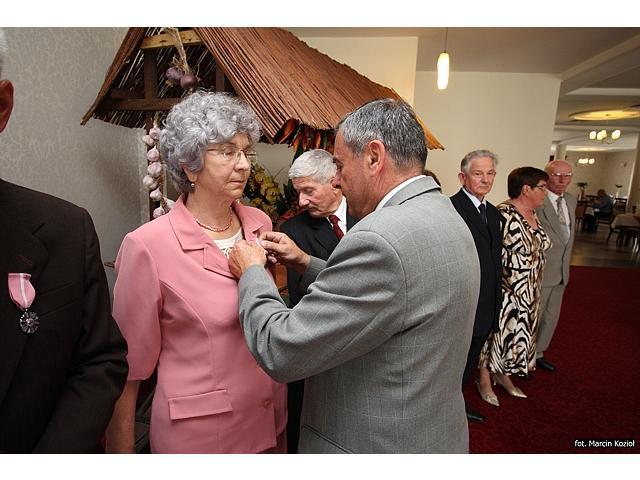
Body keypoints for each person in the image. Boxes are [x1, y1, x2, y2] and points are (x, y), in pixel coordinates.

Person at [229, 98, 480, 453]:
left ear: (374, 157)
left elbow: (280, 349)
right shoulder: (445, 213)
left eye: (340, 165)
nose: (337, 179)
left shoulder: (379, 237)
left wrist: (253, 272)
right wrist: (304, 261)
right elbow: (400, 291)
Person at [105, 91, 286, 453]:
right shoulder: (148, 246)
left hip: (270, 423)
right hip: (202, 438)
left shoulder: (259, 224)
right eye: (227, 152)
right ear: (189, 166)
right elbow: (128, 372)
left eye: (246, 151)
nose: (244, 165)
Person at [0, 29, 128, 453]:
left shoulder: (66, 230)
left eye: (242, 152)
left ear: (1, 107)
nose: (240, 165)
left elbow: (99, 360)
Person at [278, 148, 357, 453]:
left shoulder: (371, 215)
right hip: (322, 350)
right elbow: (305, 298)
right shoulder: (293, 231)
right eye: (298, 192)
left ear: (334, 181)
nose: (301, 202)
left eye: (309, 191)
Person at [477, 167, 551, 405]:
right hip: (507, 290)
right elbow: (491, 254)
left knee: (516, 334)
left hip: (530, 289)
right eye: (542, 187)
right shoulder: (503, 214)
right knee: (497, 334)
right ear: (526, 189)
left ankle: (503, 374)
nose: (546, 192)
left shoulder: (533, 213)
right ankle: (484, 379)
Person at [450, 150, 502, 422]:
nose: (485, 179)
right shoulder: (451, 209)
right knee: (453, 361)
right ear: (463, 177)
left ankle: (455, 404)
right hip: (462, 302)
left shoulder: (493, 213)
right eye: (478, 173)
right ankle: (445, 409)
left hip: (486, 303)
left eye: (490, 173)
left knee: (470, 360)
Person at [534, 160, 576, 372]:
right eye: (557, 174)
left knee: (551, 316)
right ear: (547, 175)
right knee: (535, 315)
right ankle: (524, 356)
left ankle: (539, 353)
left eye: (567, 175)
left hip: (562, 270)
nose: (562, 179)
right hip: (543, 269)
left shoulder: (571, 200)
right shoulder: (538, 200)